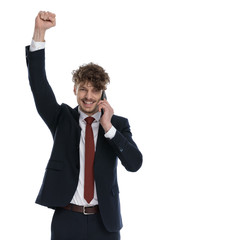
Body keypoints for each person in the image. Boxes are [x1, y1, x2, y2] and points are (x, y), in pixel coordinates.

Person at [26, 11, 143, 240]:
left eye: (95, 90)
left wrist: (108, 128)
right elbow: (38, 84)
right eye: (83, 89)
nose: (88, 96)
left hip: (105, 223)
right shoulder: (62, 118)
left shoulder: (118, 125)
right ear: (75, 90)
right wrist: (39, 33)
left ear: (103, 93)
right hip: (67, 220)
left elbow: (135, 163)